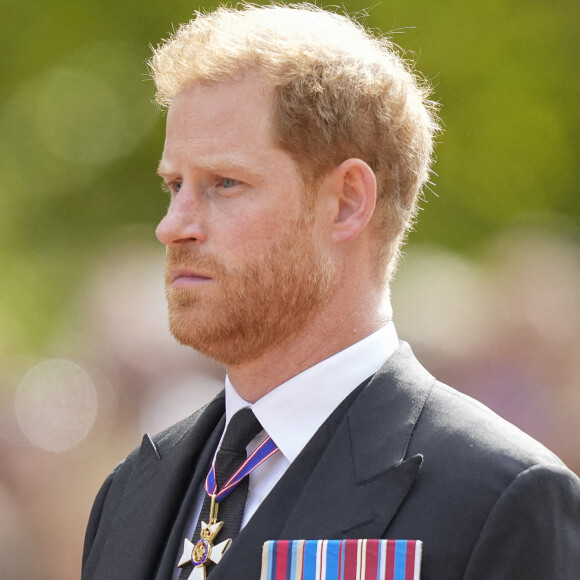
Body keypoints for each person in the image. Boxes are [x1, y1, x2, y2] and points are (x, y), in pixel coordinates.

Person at [81, 4, 580, 580]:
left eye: (224, 183)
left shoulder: (496, 497)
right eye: (174, 184)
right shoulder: (132, 490)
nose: (174, 225)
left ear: (346, 201)